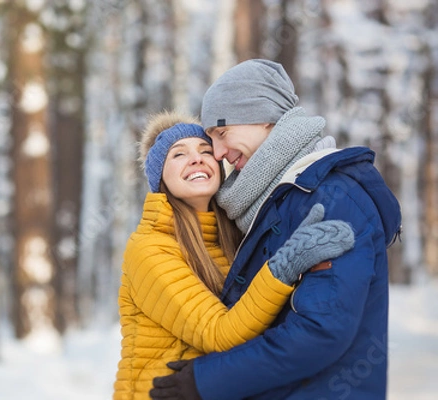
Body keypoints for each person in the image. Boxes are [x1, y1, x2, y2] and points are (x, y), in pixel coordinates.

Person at [150, 59, 402, 400]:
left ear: (265, 117)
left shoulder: (330, 199)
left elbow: (321, 330)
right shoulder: (278, 199)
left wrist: (207, 380)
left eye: (222, 134)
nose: (220, 154)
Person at [113, 111, 355, 399]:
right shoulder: (150, 248)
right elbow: (220, 332)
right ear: (159, 178)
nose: (197, 158)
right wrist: (285, 266)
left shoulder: (232, 237)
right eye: (179, 155)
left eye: (205, 150)